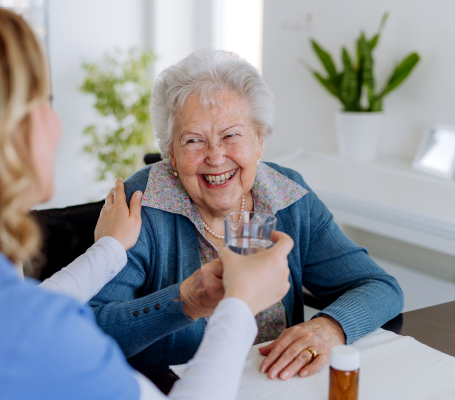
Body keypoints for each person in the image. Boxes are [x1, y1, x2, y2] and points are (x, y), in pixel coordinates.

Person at [0, 3, 293, 399]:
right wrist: (239, 305)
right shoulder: (35, 335)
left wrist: (107, 249)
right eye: (42, 102)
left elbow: (28, 306)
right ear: (6, 138)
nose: (55, 120)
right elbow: (29, 322)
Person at [90, 49, 404, 380]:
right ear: (171, 153)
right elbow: (87, 330)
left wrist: (329, 327)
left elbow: (380, 286)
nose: (215, 157)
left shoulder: (287, 196)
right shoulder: (141, 205)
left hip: (277, 386)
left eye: (231, 135)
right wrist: (185, 301)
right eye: (194, 140)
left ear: (259, 140)